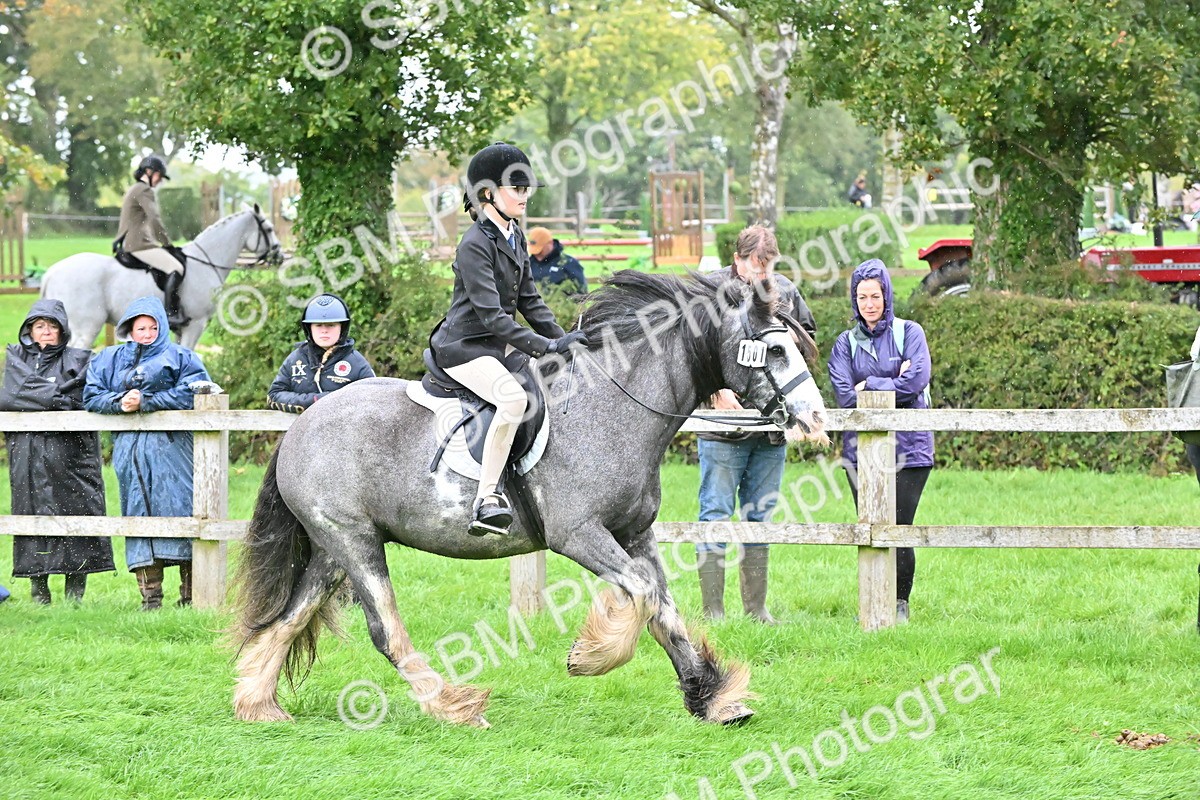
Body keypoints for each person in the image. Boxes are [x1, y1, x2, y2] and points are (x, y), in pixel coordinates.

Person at [429, 142, 586, 536]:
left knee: (552, 383)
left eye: (526, 188)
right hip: (464, 349)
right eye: (517, 188)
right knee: (513, 399)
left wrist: (566, 341)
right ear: (488, 193)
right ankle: (486, 499)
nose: (524, 195)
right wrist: (544, 347)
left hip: (495, 347)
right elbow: (493, 316)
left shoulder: (514, 235)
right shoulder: (474, 244)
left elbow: (530, 302)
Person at [695, 225, 816, 624]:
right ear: (737, 259)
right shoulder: (712, 293)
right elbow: (691, 354)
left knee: (760, 516)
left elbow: (808, 343)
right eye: (754, 264)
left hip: (770, 426)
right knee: (715, 512)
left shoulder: (786, 292)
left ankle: (756, 610)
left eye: (768, 265)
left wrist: (792, 340)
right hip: (722, 427)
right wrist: (715, 392)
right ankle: (713, 612)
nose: (761, 273)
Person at [84, 296, 210, 610]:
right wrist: (118, 402)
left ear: (162, 327)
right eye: (141, 328)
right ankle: (150, 598)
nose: (147, 333)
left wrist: (149, 400)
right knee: (138, 516)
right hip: (130, 454)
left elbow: (197, 390)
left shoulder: (181, 356)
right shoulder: (109, 359)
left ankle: (191, 597)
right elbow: (92, 394)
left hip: (173, 451)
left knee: (182, 512)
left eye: (153, 327)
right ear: (129, 328)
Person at [827, 259, 933, 623]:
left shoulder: (910, 333)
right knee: (871, 528)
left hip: (910, 449)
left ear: (887, 295)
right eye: (862, 297)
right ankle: (874, 604)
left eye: (875, 296)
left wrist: (870, 384)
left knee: (899, 528)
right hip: (859, 452)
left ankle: (899, 603)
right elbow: (845, 397)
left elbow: (915, 382)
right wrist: (893, 380)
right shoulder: (845, 344)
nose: (869, 304)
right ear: (854, 299)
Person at [0, 300, 111, 604]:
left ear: (62, 330)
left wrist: (37, 396)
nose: (46, 331)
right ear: (29, 330)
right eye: (39, 326)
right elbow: (10, 397)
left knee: (77, 511)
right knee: (32, 515)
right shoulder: (16, 359)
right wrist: (58, 396)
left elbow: (83, 395)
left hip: (72, 457)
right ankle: (39, 591)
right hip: (28, 455)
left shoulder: (79, 359)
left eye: (52, 326)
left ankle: (75, 594)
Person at [115, 154, 188, 331]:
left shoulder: (134, 188)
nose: (160, 180)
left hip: (131, 242)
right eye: (159, 176)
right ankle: (171, 313)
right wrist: (167, 243)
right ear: (148, 172)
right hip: (139, 244)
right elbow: (155, 219)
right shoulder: (144, 190)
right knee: (176, 268)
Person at [267, 293, 375, 413]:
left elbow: (374, 399)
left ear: (342, 327)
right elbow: (274, 395)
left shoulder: (357, 362)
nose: (324, 330)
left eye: (331, 325)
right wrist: (313, 401)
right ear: (309, 328)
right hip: (302, 425)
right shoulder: (295, 359)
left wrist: (335, 401)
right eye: (318, 325)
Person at [527, 226, 588, 294]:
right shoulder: (528, 265)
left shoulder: (569, 264)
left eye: (540, 249)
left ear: (550, 243)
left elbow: (582, 291)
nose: (537, 254)